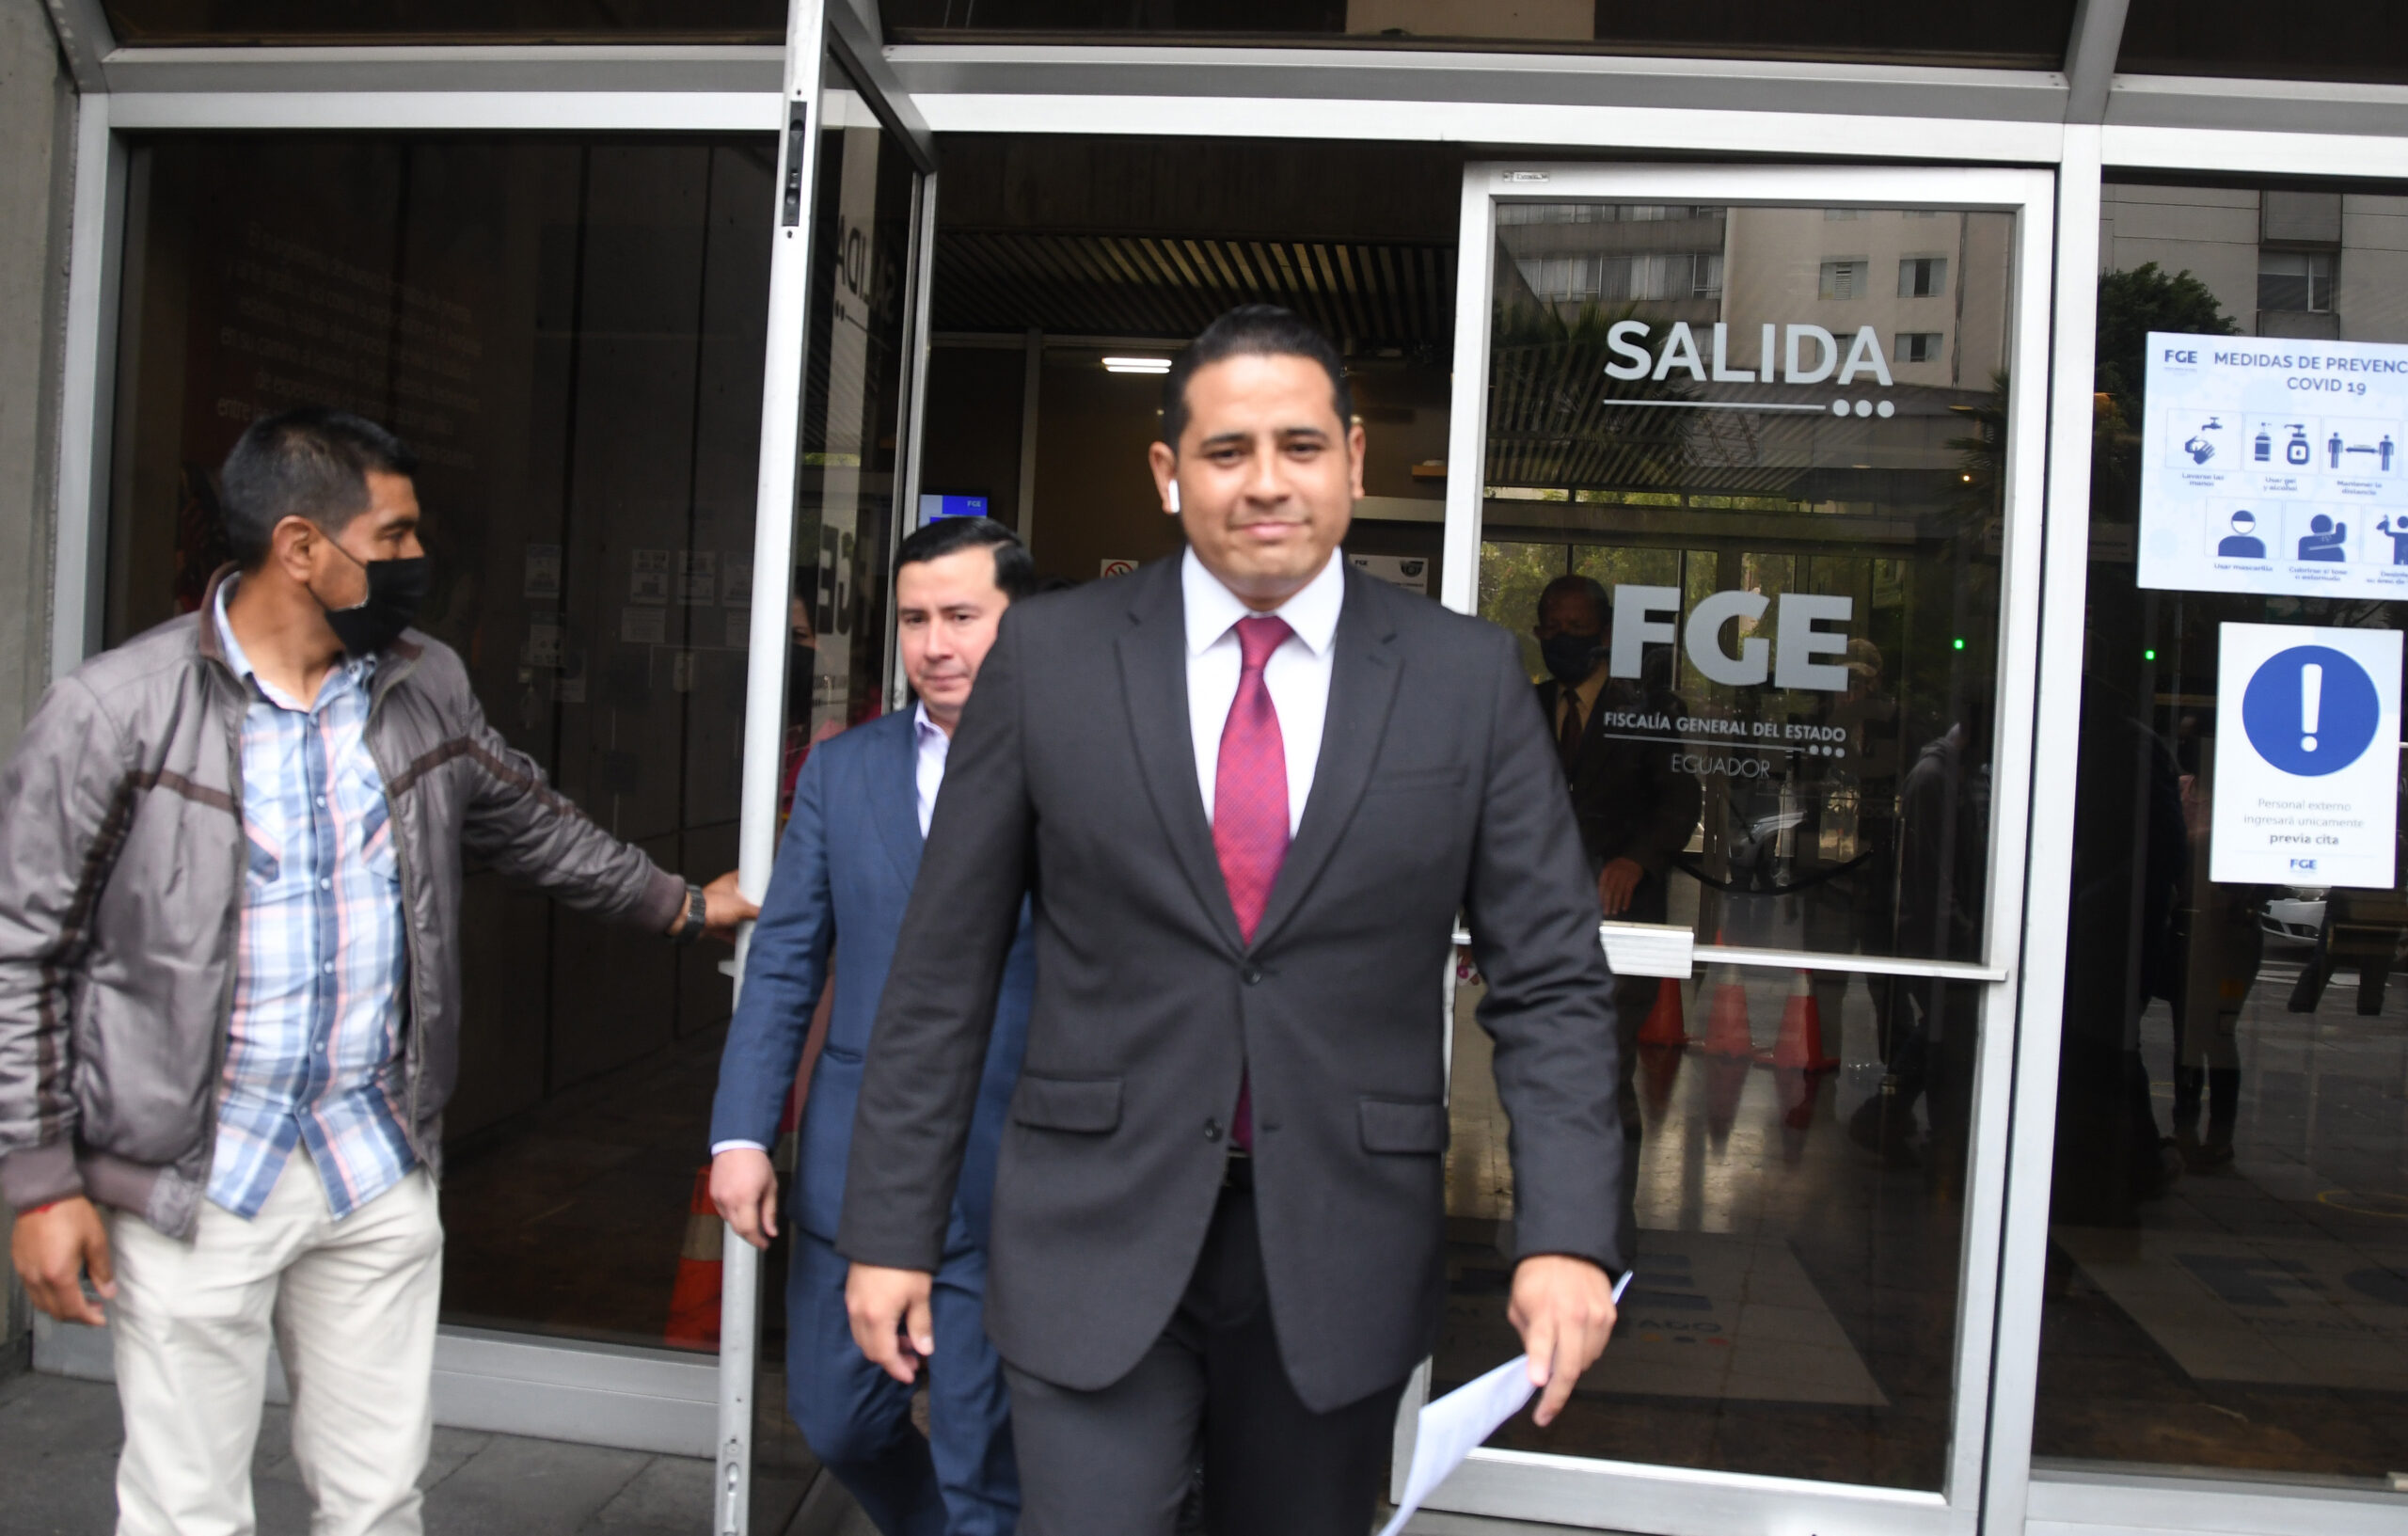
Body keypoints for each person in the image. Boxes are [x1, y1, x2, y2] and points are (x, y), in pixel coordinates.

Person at [838, 306, 1627, 1536]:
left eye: (1301, 446)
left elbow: (1552, 982)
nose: (1266, 482)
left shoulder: (1465, 679)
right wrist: (890, 1229)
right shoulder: (1049, 657)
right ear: (1168, 472)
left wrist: (1566, 1234)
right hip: (1091, 1227)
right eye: (1226, 450)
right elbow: (943, 968)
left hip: (1342, 1245)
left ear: (1353, 459)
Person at [0, 408, 754, 1536]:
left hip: (373, 1161)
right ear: (301, 547)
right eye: (393, 537)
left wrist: (683, 904)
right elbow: (25, 950)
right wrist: (41, 1181)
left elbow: (530, 820)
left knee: (378, 1504)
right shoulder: (115, 710)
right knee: (185, 1511)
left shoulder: (422, 681)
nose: (416, 559)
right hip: (194, 1174)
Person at [709, 515, 1038, 1536]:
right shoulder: (844, 770)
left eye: (962, 617)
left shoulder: (1079, 769)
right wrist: (741, 1132)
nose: (935, 644)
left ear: (1020, 623)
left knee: (987, 1459)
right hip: (857, 1161)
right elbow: (785, 962)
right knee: (837, 1419)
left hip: (1011, 1169)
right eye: (914, 620)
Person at [1529, 573, 1699, 1239]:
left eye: (1577, 627)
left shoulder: (1646, 708)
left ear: (1603, 633)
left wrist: (1637, 859)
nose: (1563, 638)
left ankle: (1606, 1225)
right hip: (1542, 927)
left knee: (1604, 1069)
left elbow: (1680, 800)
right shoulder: (1526, 704)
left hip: (1621, 924)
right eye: (1552, 627)